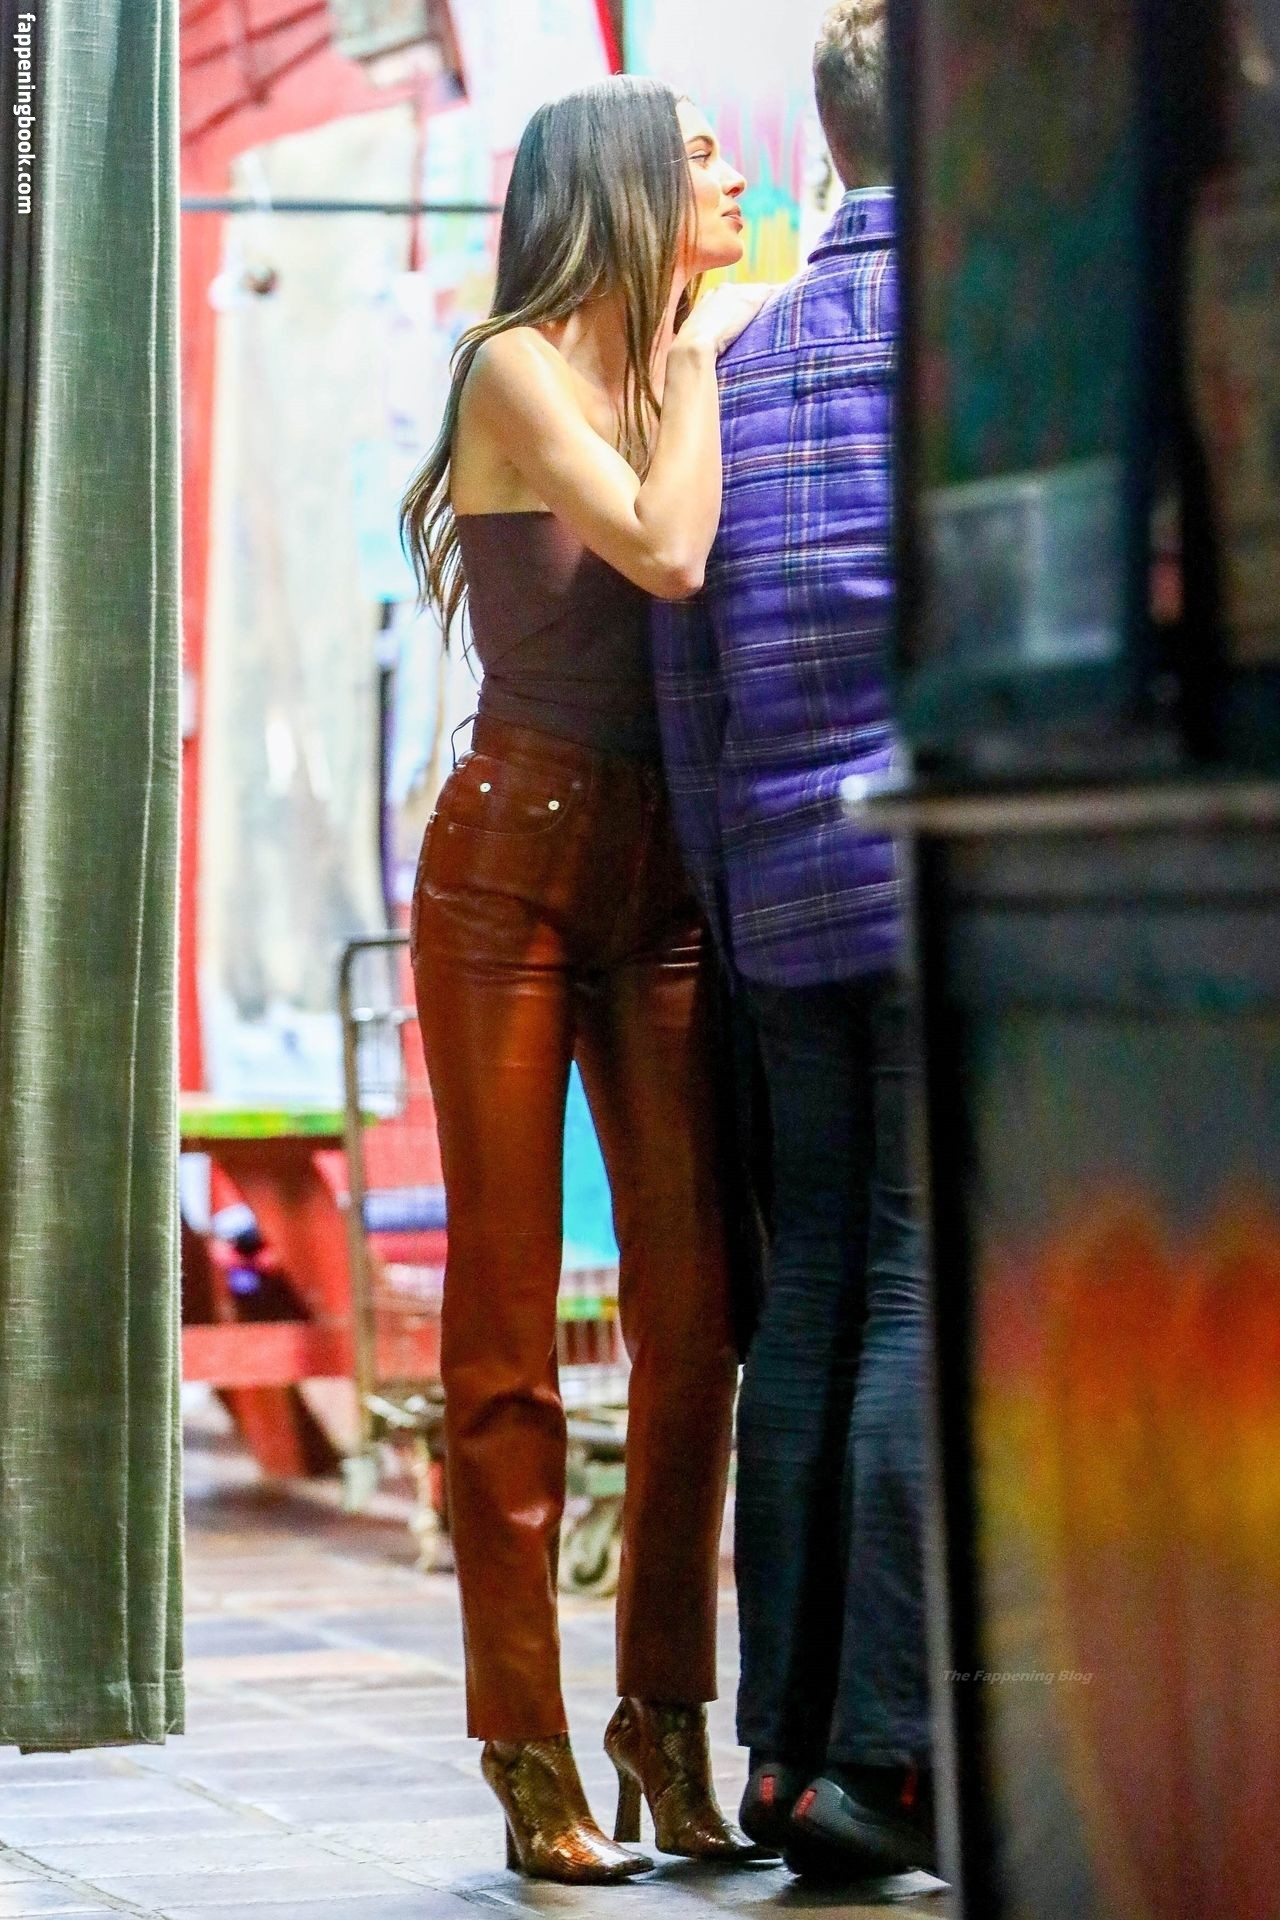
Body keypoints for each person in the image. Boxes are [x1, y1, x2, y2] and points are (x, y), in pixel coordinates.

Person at [398, 78, 770, 1886]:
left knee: (699, 1315)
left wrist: (698, 360)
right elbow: (667, 551)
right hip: (508, 872)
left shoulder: (680, 365)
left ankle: (665, 1725)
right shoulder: (514, 367)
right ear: (619, 182)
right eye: (699, 153)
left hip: (662, 869)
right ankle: (527, 1741)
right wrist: (696, 363)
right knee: (509, 1322)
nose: (734, 174)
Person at [652, 0, 937, 1880]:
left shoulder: (732, 351)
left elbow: (685, 668)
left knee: (813, 1292)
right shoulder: (973, 334)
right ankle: (885, 1757)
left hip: (774, 878)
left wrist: (730, 884)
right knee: (915, 1289)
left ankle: (779, 1755)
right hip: (927, 874)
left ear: (827, 138)